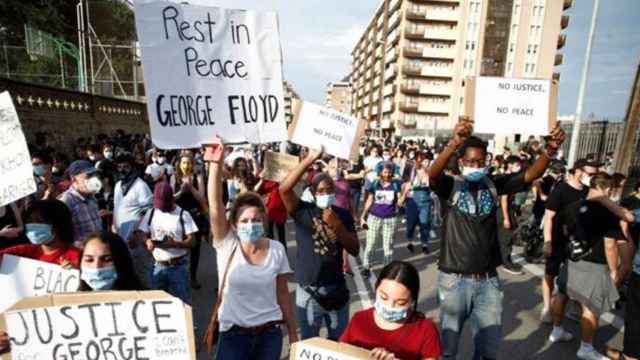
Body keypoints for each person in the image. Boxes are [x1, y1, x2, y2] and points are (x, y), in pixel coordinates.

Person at [428, 117, 565, 360]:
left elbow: (530, 174)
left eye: (480, 161)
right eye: (469, 161)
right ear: (460, 162)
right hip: (453, 280)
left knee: (489, 350)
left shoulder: (494, 184)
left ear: (487, 161)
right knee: (448, 350)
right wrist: (454, 142)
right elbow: (434, 175)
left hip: (488, 281)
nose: (475, 165)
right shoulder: (451, 186)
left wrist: (550, 150)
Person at [207, 136, 297, 359]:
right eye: (245, 221)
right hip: (233, 338)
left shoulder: (277, 249)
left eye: (256, 220)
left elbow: (283, 292)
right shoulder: (227, 245)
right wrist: (215, 165)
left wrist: (293, 333)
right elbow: (215, 207)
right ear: (234, 225)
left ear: (264, 221)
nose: (251, 225)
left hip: (269, 336)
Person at [553, 173, 637, 360]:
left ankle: (556, 330)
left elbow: (565, 230)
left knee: (562, 293)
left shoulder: (573, 206)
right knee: (590, 308)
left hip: (572, 259)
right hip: (594, 264)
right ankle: (586, 348)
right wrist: (615, 270)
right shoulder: (607, 212)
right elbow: (610, 244)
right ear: (607, 188)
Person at [280, 146, 359, 341]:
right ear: (314, 193)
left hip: (336, 290)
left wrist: (338, 227)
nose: (326, 193)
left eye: (330, 190)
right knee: (310, 344)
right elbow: (284, 189)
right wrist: (308, 160)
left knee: (339, 345)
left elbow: (355, 249)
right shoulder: (303, 212)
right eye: (321, 191)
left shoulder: (342, 215)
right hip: (308, 292)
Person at [340, 261, 442, 360]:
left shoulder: (426, 330)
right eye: (384, 297)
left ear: (412, 300)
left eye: (400, 303)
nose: (390, 306)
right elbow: (339, 352)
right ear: (376, 288)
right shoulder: (359, 320)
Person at [542, 159, 598, 324]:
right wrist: (548, 242)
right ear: (579, 171)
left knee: (576, 276)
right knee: (550, 274)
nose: (593, 177)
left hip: (578, 243)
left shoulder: (589, 191)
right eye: (591, 174)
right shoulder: (561, 190)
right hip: (558, 241)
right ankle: (546, 307)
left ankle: (573, 306)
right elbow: (549, 217)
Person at [140, 181, 198, 305]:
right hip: (158, 266)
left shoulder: (183, 214)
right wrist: (147, 241)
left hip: (179, 267)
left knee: (183, 305)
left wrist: (175, 244)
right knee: (157, 304)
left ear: (172, 199)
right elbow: (143, 233)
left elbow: (192, 241)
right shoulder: (151, 213)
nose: (161, 208)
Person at [111, 153, 154, 287]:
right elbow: (116, 207)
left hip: (137, 241)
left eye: (126, 167)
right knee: (126, 274)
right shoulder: (118, 185)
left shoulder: (141, 186)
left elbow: (149, 212)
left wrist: (138, 234)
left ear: (133, 168)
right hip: (121, 239)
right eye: (119, 167)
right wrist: (113, 225)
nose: (122, 170)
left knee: (142, 274)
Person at [0, 199, 79, 268]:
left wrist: (75, 270)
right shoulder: (24, 251)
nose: (33, 225)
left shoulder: (76, 256)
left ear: (58, 224)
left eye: (40, 221)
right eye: (30, 221)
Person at [171, 153, 208, 289]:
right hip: (178, 217)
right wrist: (181, 191)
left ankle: (193, 276)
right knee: (179, 245)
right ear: (179, 165)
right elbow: (172, 198)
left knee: (195, 248)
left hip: (194, 216)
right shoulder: (174, 177)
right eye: (184, 163)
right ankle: (179, 275)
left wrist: (191, 188)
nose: (186, 166)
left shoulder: (197, 177)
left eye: (189, 163)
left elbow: (202, 198)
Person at [360, 161, 403, 277]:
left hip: (390, 218)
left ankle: (387, 270)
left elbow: (399, 203)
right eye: (385, 171)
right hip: (374, 217)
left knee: (388, 245)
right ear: (380, 172)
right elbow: (369, 200)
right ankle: (366, 267)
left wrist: (404, 193)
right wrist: (363, 215)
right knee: (371, 243)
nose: (388, 174)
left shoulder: (395, 184)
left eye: (389, 172)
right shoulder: (375, 184)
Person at [58, 160, 104, 246]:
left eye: (94, 175)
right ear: (73, 179)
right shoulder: (66, 200)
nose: (94, 179)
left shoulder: (92, 198)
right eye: (88, 176)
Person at [79, 231, 145, 291]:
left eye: (107, 260)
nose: (96, 267)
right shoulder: (71, 302)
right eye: (89, 260)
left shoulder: (148, 301)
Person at [497, 156, 526, 275]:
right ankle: (506, 263)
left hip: (507, 210)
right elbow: (503, 199)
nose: (518, 168)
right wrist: (506, 218)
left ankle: (504, 259)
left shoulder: (509, 178)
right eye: (516, 165)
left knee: (505, 237)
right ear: (510, 165)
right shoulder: (506, 179)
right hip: (503, 211)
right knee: (506, 238)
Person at [400, 156, 433, 255]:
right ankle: (410, 242)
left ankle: (424, 244)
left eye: (427, 161)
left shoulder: (430, 173)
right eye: (423, 161)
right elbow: (405, 186)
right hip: (412, 201)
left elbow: (434, 187)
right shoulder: (412, 172)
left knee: (425, 223)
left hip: (426, 202)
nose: (425, 163)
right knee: (411, 224)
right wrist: (403, 197)